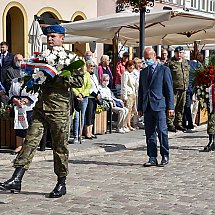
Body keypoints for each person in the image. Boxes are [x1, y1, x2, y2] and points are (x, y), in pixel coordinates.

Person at [0, 24, 84, 198]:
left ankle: (61, 183)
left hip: (59, 110)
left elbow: (78, 82)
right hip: (41, 108)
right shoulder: (41, 56)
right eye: (49, 36)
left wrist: (59, 75)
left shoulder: (71, 58)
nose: (50, 39)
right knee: (29, 142)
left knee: (60, 147)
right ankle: (17, 178)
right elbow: (34, 77)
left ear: (62, 38)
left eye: (53, 36)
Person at [138, 47, 174, 167]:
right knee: (149, 133)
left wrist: (170, 107)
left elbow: (169, 90)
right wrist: (140, 107)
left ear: (154, 56)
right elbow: (141, 90)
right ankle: (152, 157)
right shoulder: (143, 72)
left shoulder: (164, 70)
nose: (147, 60)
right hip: (147, 106)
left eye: (149, 58)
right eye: (145, 58)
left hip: (160, 105)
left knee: (162, 131)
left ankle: (165, 155)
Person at [9, 76, 38, 155]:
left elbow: (35, 94)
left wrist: (26, 101)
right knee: (18, 126)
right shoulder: (14, 81)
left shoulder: (33, 81)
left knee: (27, 126)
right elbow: (10, 92)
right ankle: (19, 146)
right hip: (17, 107)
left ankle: (26, 147)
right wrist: (14, 100)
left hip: (28, 107)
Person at [166, 46, 190, 132]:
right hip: (173, 89)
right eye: (178, 53)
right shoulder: (170, 63)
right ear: (175, 53)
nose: (179, 54)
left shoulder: (185, 62)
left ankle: (178, 123)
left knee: (181, 107)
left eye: (181, 53)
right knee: (172, 106)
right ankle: (170, 123)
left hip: (183, 88)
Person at [72, 60, 91, 143]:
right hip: (76, 97)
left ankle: (80, 135)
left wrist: (82, 94)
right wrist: (77, 94)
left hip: (84, 97)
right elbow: (72, 86)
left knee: (82, 116)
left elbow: (88, 86)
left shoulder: (87, 74)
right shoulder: (74, 73)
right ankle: (75, 136)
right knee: (76, 117)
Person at [85, 60, 101, 139]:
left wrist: (98, 93)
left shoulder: (94, 75)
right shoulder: (86, 75)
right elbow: (88, 87)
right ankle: (87, 132)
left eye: (93, 66)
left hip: (95, 97)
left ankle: (91, 132)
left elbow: (96, 85)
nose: (92, 67)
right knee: (89, 114)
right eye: (90, 66)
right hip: (90, 97)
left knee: (92, 115)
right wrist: (95, 94)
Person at [121, 60, 136, 131]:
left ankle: (128, 124)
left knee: (132, 110)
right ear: (128, 67)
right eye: (131, 68)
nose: (132, 69)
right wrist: (124, 96)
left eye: (133, 68)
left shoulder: (132, 74)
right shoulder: (125, 74)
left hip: (133, 93)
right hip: (128, 94)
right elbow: (124, 85)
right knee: (128, 110)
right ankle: (127, 125)